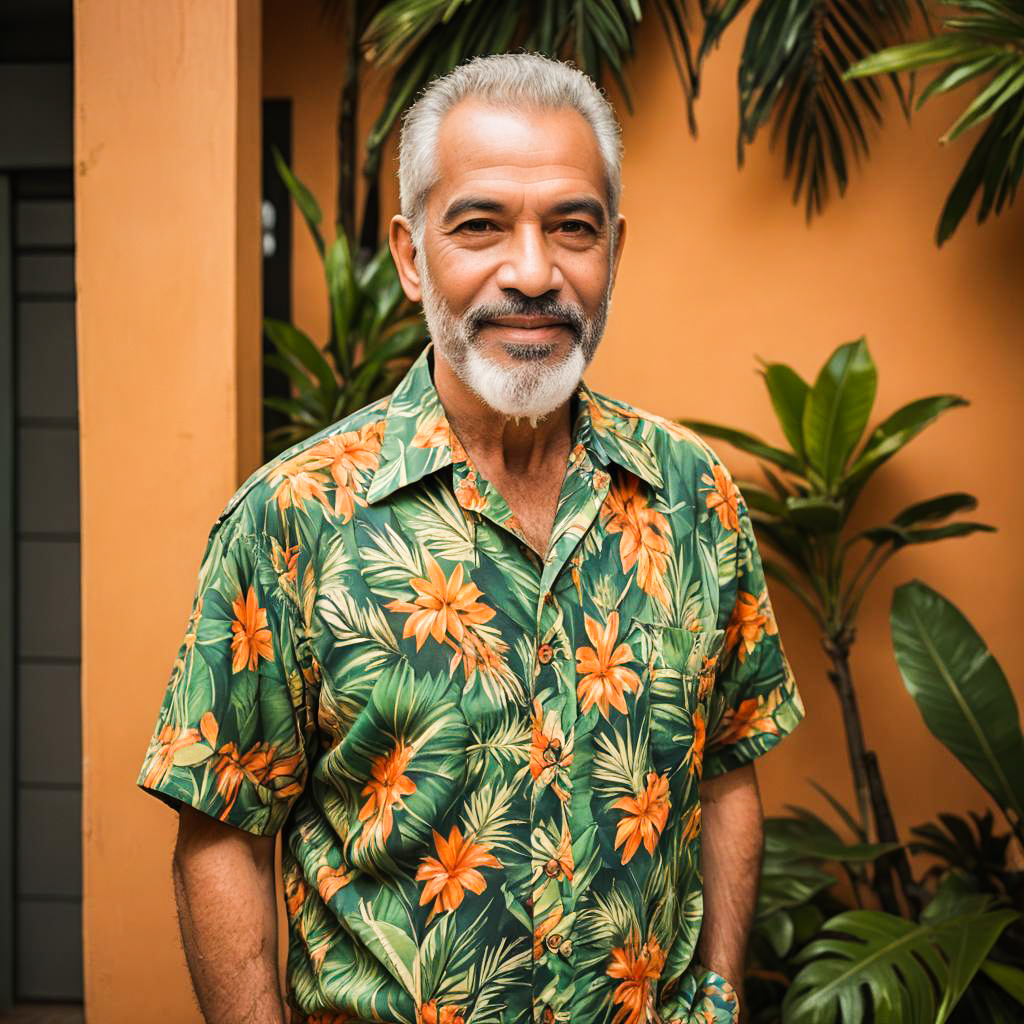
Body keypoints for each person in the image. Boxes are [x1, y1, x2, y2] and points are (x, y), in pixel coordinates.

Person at [137, 51, 804, 1024]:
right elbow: (222, 832)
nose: (531, 272)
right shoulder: (295, 518)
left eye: (571, 228)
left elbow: (729, 762)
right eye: (480, 225)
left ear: (612, 246)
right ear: (412, 255)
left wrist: (718, 989)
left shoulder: (695, 495)